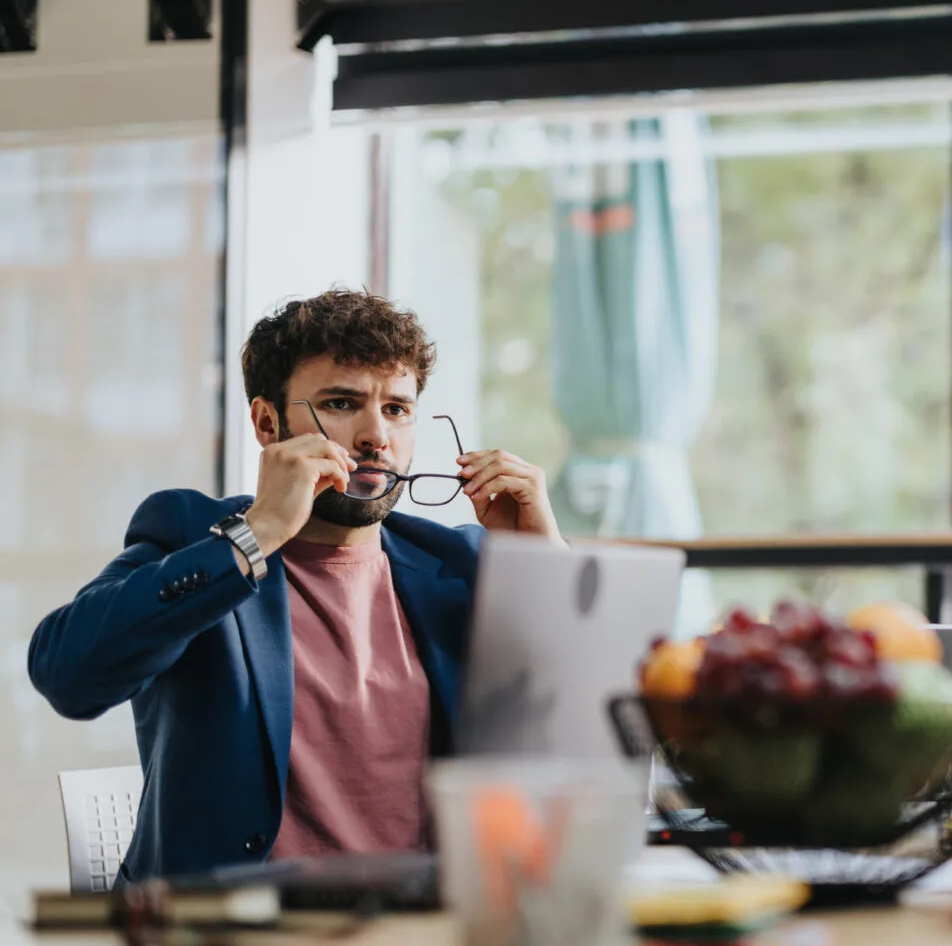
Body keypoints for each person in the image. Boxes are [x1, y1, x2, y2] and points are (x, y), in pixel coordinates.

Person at [30, 291, 562, 880]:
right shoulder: (190, 536)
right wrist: (255, 534)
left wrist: (545, 570)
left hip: (426, 937)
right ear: (266, 422)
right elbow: (66, 675)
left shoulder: (462, 562)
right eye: (342, 402)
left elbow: (593, 750)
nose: (374, 437)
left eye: (397, 410)